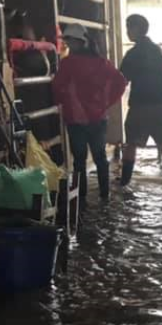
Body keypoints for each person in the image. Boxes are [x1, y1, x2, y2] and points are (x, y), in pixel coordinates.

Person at [51, 23, 126, 204]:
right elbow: (120, 82)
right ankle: (105, 195)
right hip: (98, 117)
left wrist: (63, 101)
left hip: (75, 119)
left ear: (79, 42)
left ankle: (81, 198)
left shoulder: (68, 64)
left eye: (69, 40)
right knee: (100, 157)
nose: (67, 44)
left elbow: (57, 88)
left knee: (79, 160)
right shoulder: (101, 63)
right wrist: (107, 102)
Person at [119, 14, 162, 190]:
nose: (127, 31)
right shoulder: (160, 52)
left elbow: (121, 79)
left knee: (131, 144)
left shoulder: (133, 54)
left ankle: (124, 184)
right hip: (161, 106)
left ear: (137, 29)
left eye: (129, 27)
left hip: (140, 106)